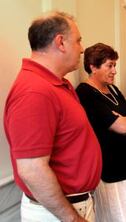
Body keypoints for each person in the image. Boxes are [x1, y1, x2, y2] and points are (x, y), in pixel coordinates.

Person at [3, 11, 102, 221]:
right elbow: (32, 170)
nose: (82, 48)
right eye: (78, 41)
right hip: (57, 213)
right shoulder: (34, 92)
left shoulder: (57, 83)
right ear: (61, 42)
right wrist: (72, 218)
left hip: (72, 205)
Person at [76, 43, 126, 222]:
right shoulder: (85, 93)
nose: (114, 71)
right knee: (116, 216)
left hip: (124, 164)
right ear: (93, 66)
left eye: (115, 65)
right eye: (109, 65)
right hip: (107, 168)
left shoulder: (112, 89)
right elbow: (123, 126)